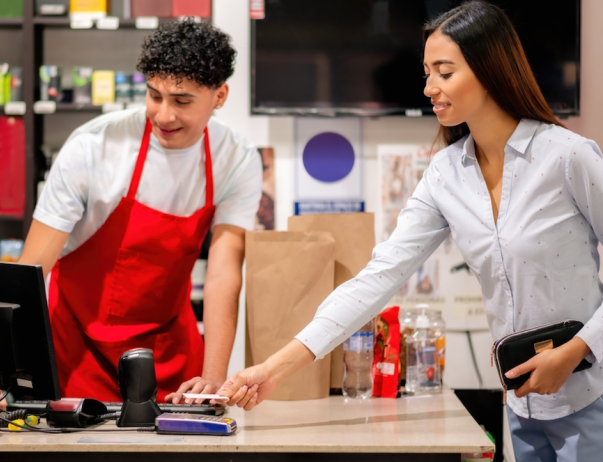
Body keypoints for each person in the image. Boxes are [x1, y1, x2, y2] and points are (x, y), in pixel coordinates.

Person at [218, 2, 603, 461]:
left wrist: (578, 348)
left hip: (591, 393)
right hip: (521, 402)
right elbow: (378, 277)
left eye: (444, 72)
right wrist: (273, 369)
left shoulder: (567, 156)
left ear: (490, 69)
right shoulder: (445, 174)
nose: (429, 88)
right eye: (427, 73)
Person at [19, 19, 262, 404]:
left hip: (169, 355)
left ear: (219, 96)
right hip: (78, 348)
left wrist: (214, 375)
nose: (164, 115)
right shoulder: (92, 147)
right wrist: (4, 366)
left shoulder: (236, 159)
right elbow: (31, 269)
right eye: (154, 95)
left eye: (182, 101)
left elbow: (222, 273)